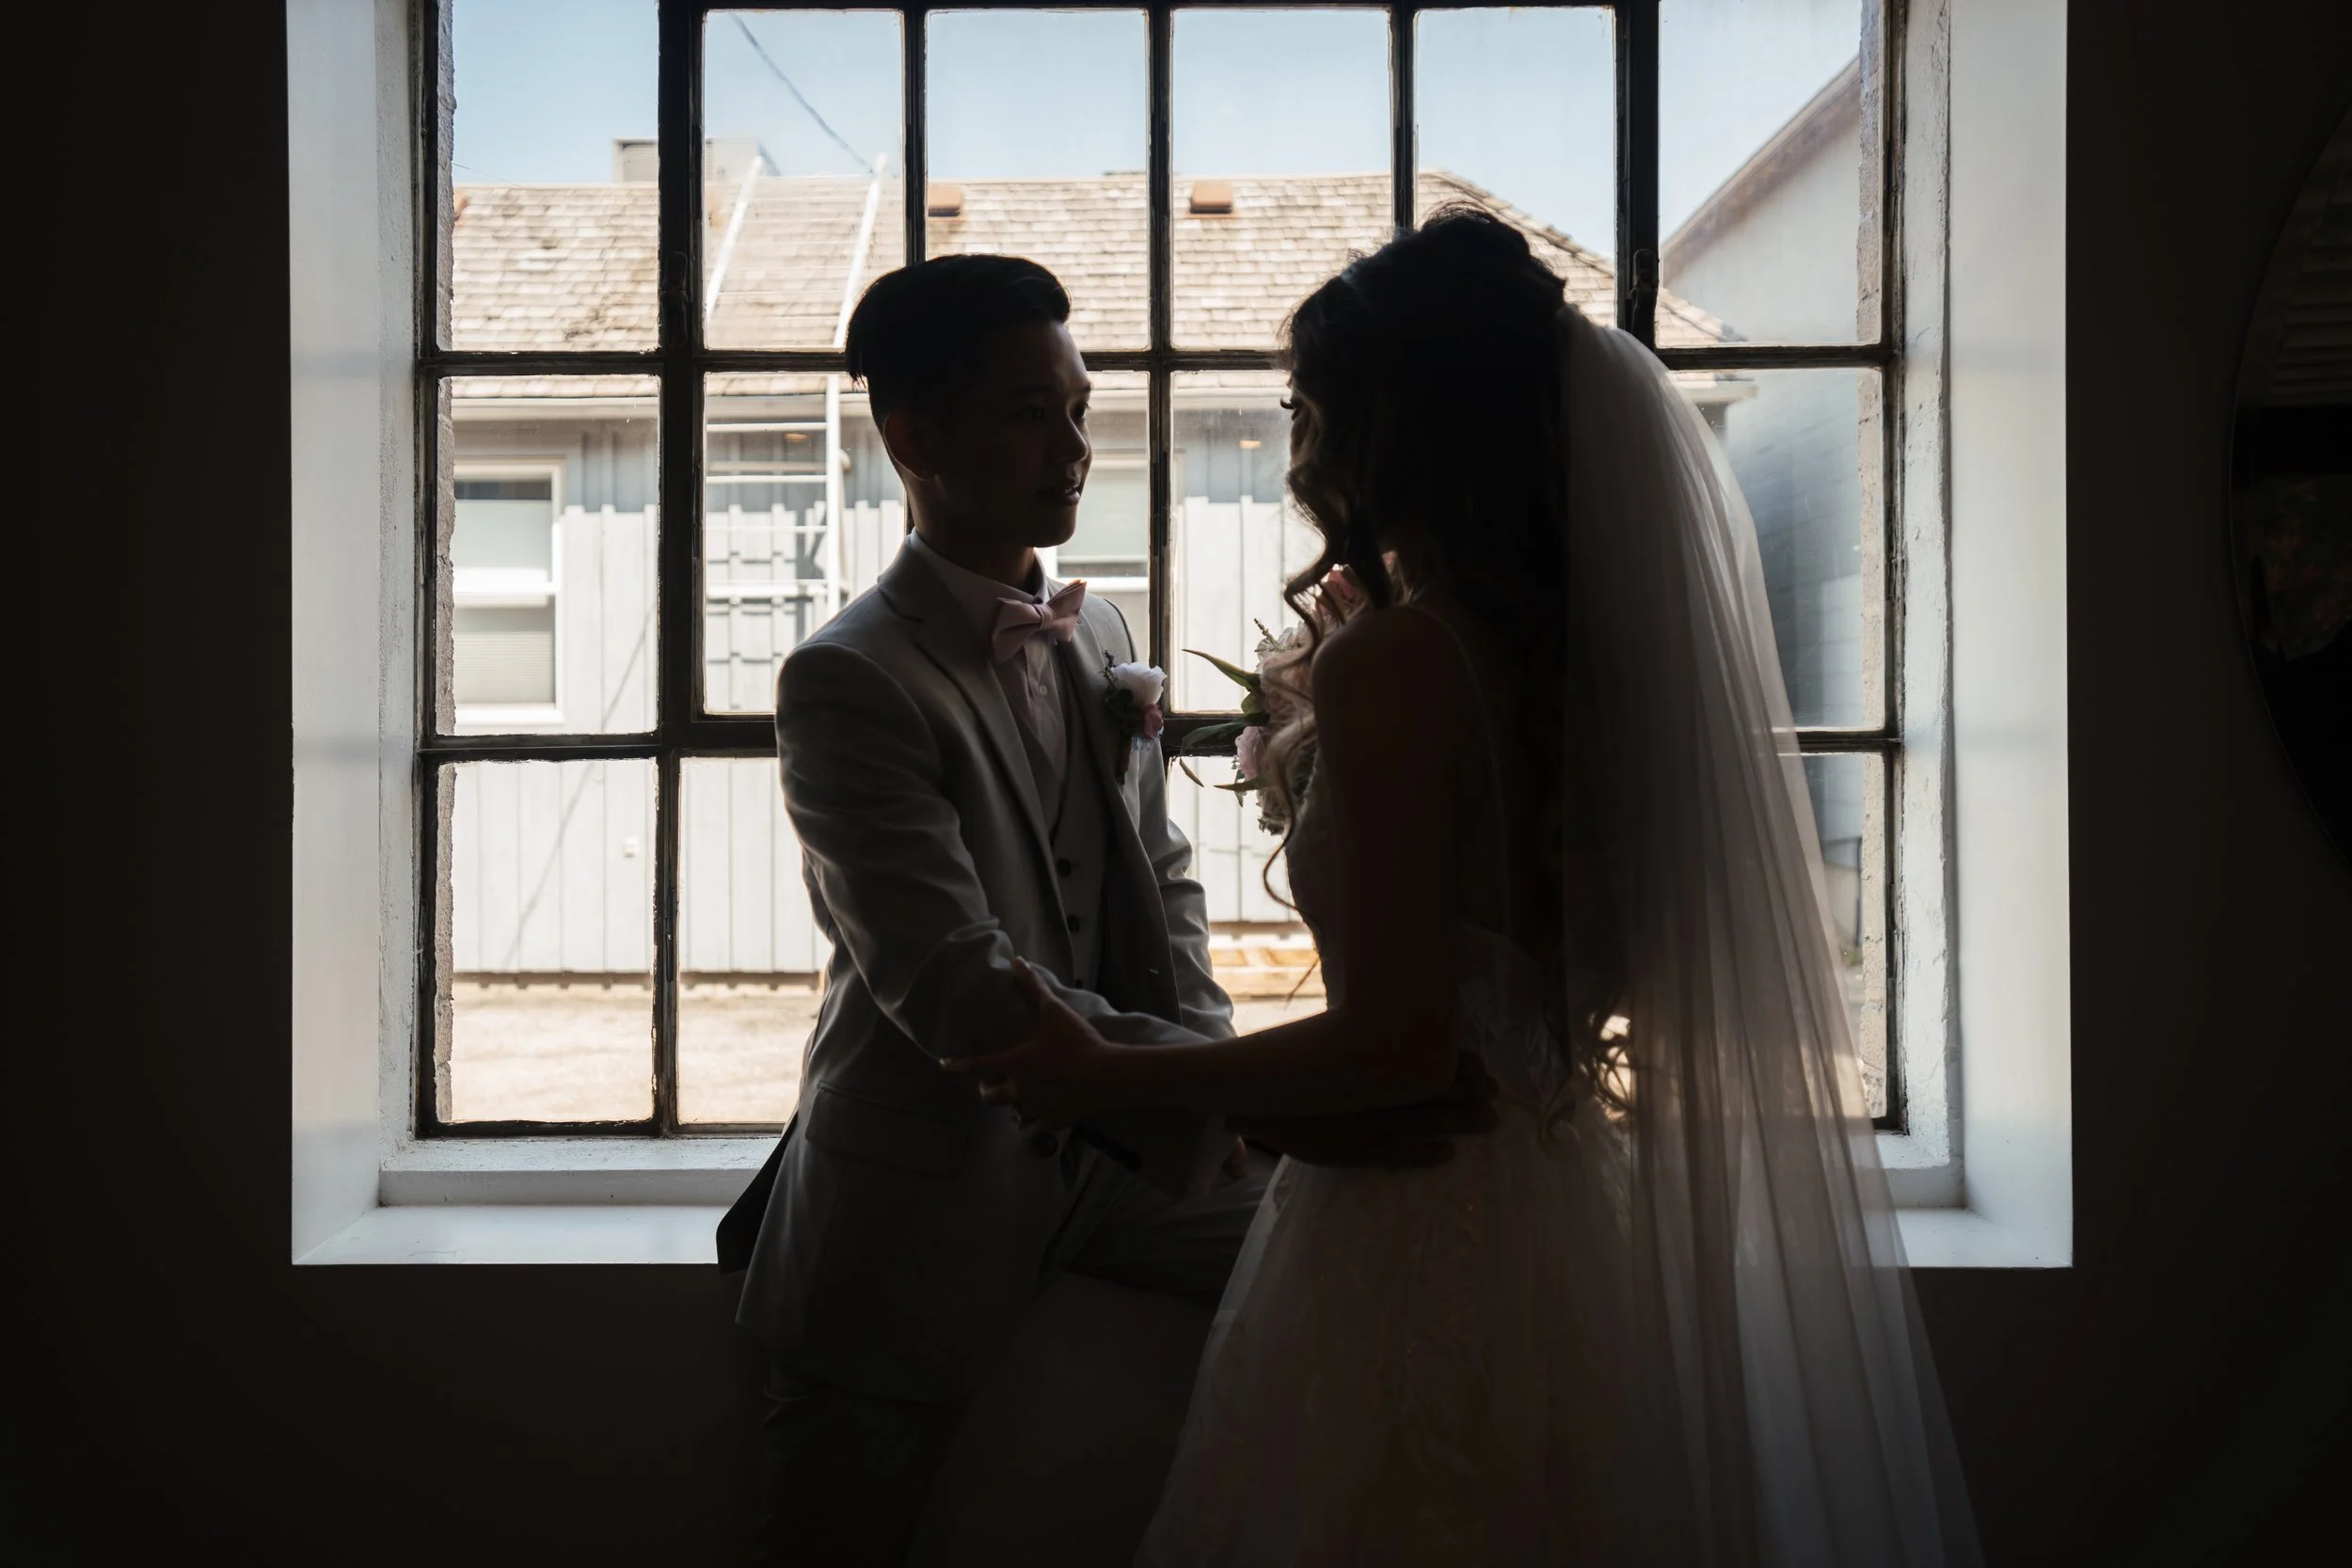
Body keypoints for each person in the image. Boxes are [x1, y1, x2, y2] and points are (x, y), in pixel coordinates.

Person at [958, 212, 1983, 1565]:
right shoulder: (1589, 667)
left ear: (1402, 427)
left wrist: (1106, 1073)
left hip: (1416, 1221)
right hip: (1563, 1207)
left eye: (1311, 407)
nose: (1299, 444)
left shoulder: (1401, 664)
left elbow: (1397, 1046)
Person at [716, 253, 1491, 1568]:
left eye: (1079, 409)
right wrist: (1207, 1086)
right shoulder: (843, 679)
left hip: (1124, 1162)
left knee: (1374, 1246)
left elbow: (1162, 874)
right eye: (1031, 414)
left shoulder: (1096, 625)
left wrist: (1211, 1056)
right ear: (914, 437)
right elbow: (953, 984)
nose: (1074, 449)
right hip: (919, 1187)